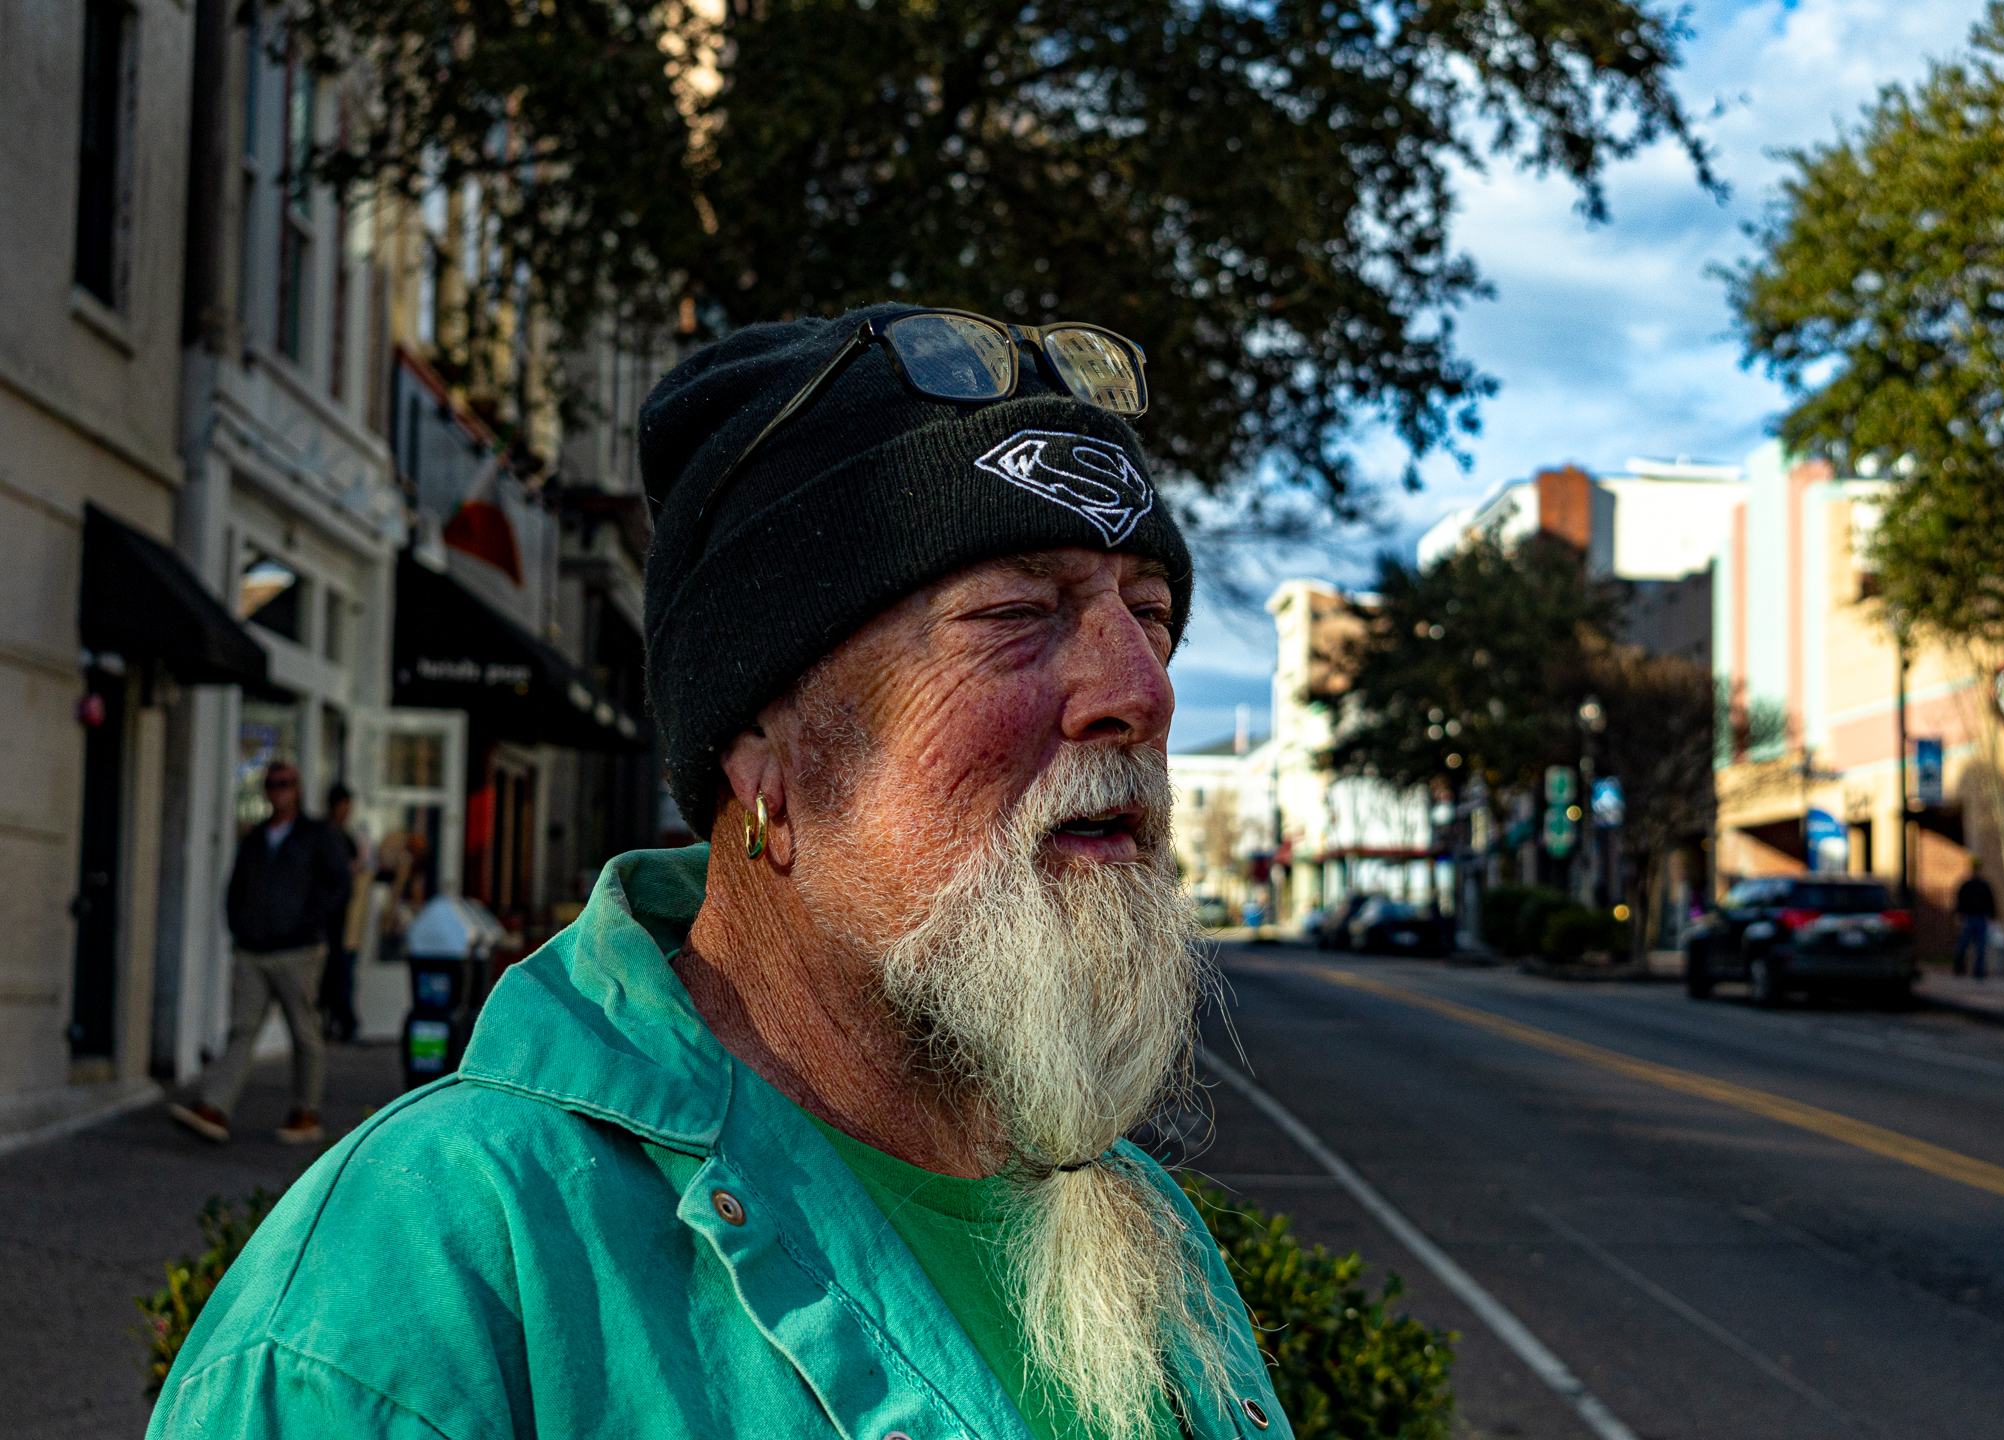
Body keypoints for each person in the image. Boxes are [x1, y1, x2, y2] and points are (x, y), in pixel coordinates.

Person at [147, 305, 1285, 1440]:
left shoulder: (1142, 1227)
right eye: (1015, 614)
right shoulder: (423, 1279)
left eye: (1152, 615)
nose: (1141, 691)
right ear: (762, 751)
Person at [169, 761, 353, 1145]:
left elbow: (339, 885)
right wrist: (239, 927)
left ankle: (306, 1112)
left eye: (286, 783)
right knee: (242, 1030)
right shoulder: (254, 839)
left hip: (298, 951)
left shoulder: (317, 835)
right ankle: (215, 1108)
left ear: (298, 789)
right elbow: (234, 887)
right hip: (253, 951)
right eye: (272, 784)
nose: (278, 790)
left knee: (303, 1031)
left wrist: (309, 925)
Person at [315, 782, 366, 1043]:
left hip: (344, 918)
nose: (346, 812)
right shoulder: (325, 836)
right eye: (343, 806)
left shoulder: (345, 837)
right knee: (331, 972)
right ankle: (334, 1020)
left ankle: (341, 1020)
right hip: (328, 918)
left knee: (342, 970)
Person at [1953, 855, 1997, 978]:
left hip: (1980, 917)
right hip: (1969, 917)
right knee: (1963, 944)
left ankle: (1978, 971)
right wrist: (1960, 914)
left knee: (1981, 947)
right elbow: (1960, 901)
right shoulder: (1967, 885)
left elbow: (1990, 901)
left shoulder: (1983, 885)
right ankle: (1959, 967)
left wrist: (1991, 915)